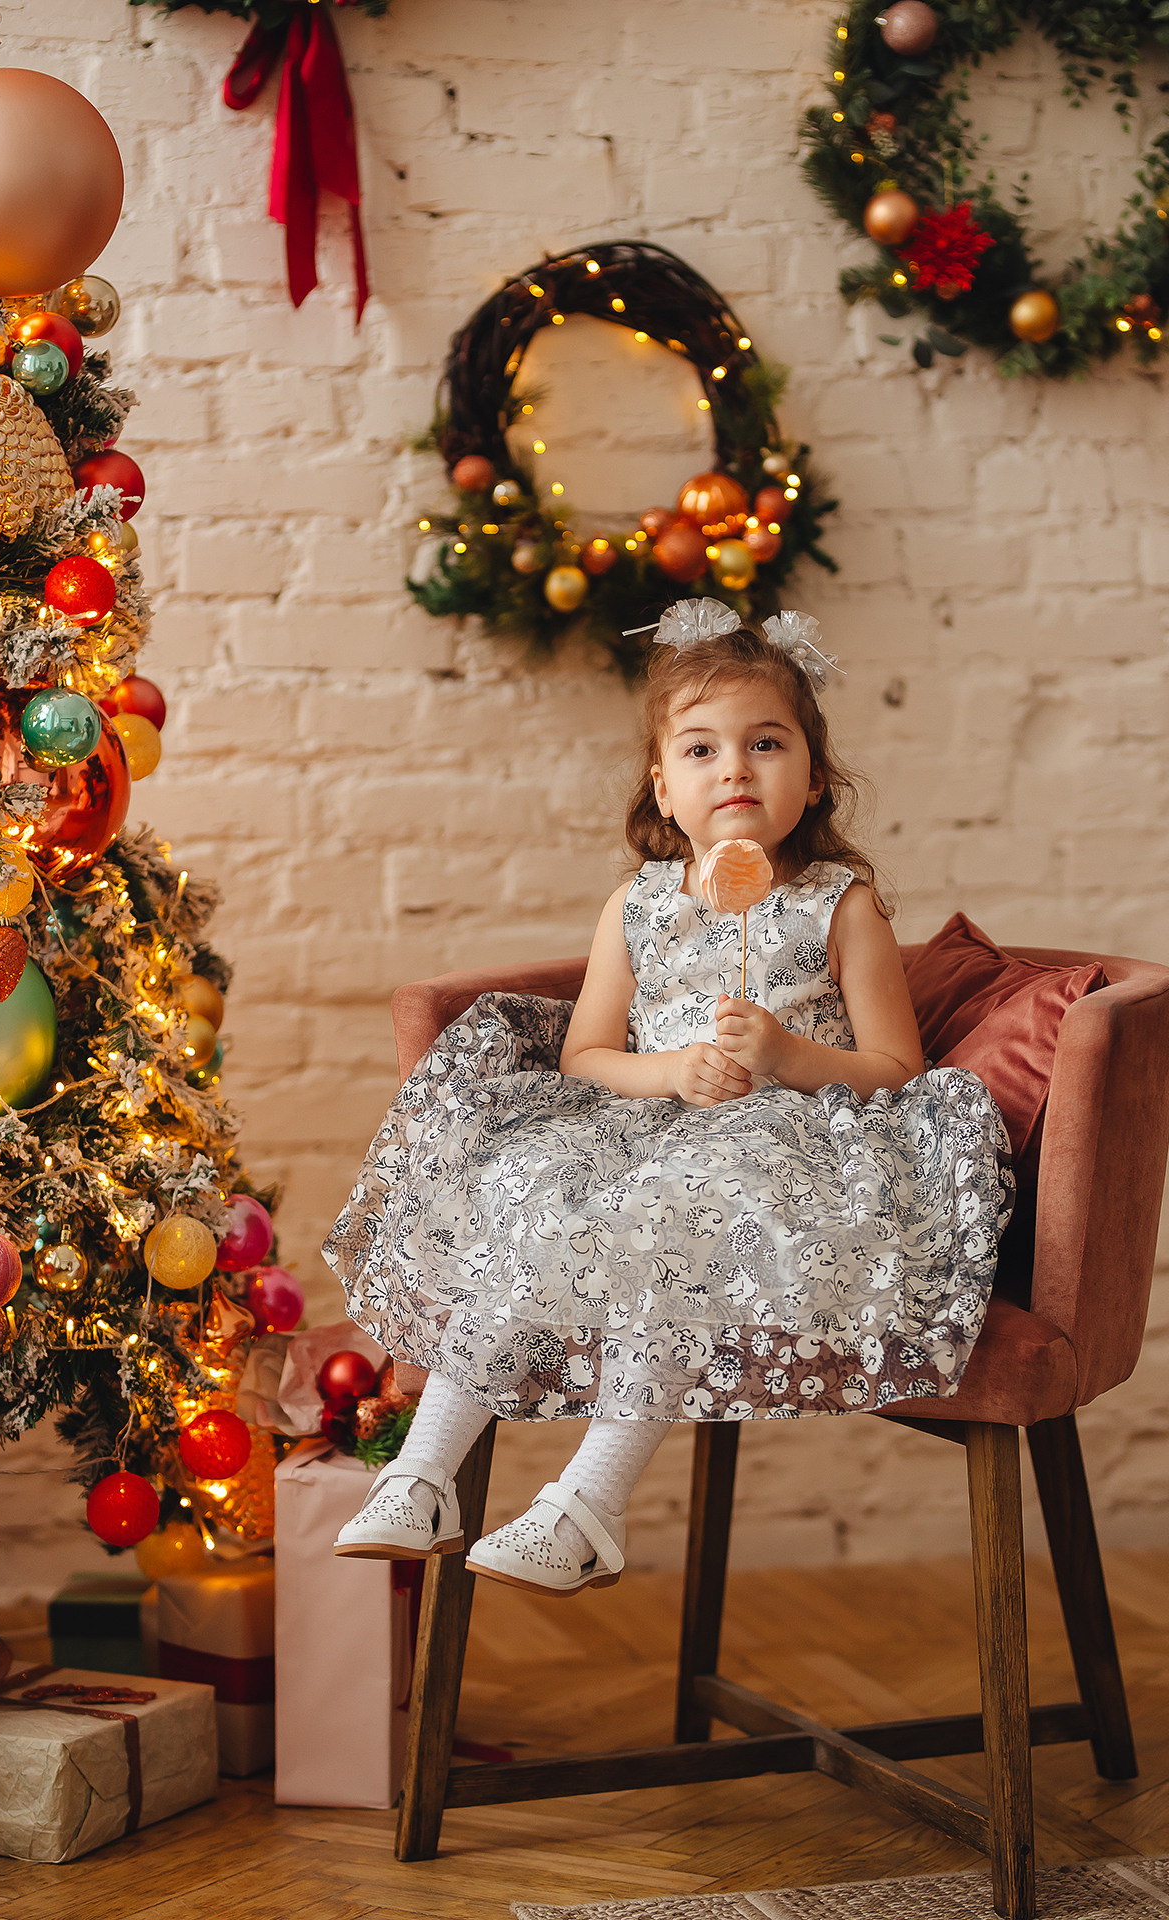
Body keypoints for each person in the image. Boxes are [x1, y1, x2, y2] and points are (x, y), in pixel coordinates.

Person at [321, 602, 1013, 1597]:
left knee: (670, 1226)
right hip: (638, 1126)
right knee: (526, 1189)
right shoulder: (638, 904)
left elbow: (897, 1069)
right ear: (663, 784)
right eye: (700, 749)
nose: (733, 769)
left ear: (812, 777)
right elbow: (589, 1054)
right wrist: (674, 1071)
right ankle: (421, 1475)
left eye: (764, 744)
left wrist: (784, 1054)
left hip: (779, 1147)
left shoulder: (837, 904)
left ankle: (587, 1504)